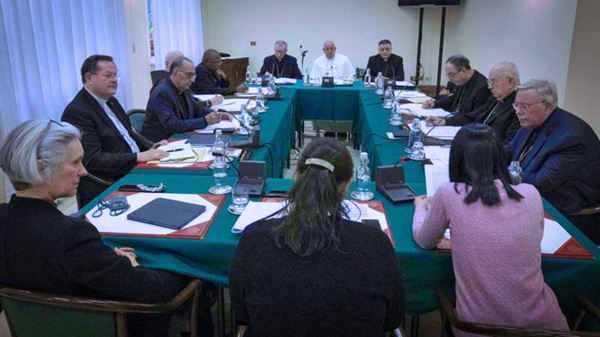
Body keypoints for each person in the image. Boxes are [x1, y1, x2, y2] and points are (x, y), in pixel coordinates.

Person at [0, 120, 190, 337]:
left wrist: (105, 259)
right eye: (75, 163)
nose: (83, 171)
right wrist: (178, 267)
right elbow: (153, 292)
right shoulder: (71, 236)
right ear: (41, 169)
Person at [230, 138, 404, 337]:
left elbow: (242, 313)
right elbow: (393, 319)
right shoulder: (376, 242)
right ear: (346, 185)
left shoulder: (254, 237)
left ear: (297, 177)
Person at [413, 124, 568, 335]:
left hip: (477, 329)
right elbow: (531, 238)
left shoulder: (449, 193)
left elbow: (425, 240)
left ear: (457, 158)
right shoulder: (530, 193)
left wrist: (420, 209)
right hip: (545, 327)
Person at [62, 54, 168, 207]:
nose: (113, 80)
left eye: (115, 76)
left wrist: (151, 146)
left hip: (136, 167)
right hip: (113, 180)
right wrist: (137, 156)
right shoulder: (77, 112)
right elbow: (93, 160)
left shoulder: (110, 100)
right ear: (89, 78)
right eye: (108, 76)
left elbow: (128, 133)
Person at [507, 79, 600, 243]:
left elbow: (541, 183)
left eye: (525, 106)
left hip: (566, 217)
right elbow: (508, 151)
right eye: (516, 105)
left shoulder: (570, 137)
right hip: (532, 201)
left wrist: (500, 172)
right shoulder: (531, 121)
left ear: (547, 106)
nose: (518, 111)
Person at [142, 57, 232, 142]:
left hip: (179, 137)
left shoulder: (184, 88)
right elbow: (171, 125)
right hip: (162, 142)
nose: (192, 80)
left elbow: (196, 108)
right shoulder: (162, 92)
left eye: (193, 75)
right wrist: (205, 121)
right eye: (189, 75)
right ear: (176, 73)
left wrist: (214, 114)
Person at [427, 61, 520, 143]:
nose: (490, 87)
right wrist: (444, 121)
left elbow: (509, 144)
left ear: (510, 82)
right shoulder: (496, 98)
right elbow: (473, 116)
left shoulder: (518, 107)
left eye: (494, 81)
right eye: (489, 82)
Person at [422, 55, 491, 117]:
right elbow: (453, 99)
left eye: (451, 75)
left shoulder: (482, 88)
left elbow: (474, 116)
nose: (450, 79)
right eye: (448, 75)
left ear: (463, 71)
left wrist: (446, 122)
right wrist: (434, 104)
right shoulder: (462, 80)